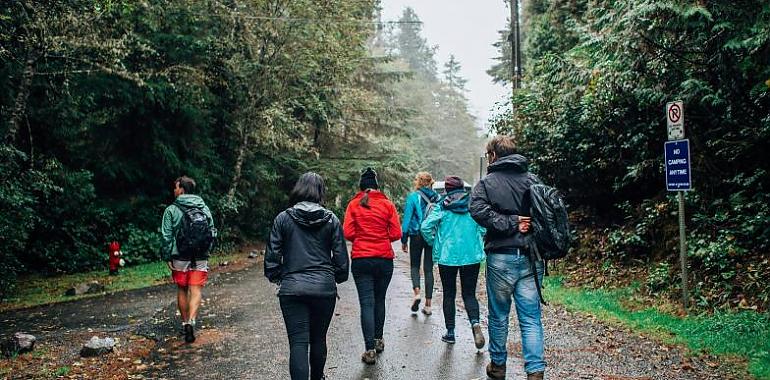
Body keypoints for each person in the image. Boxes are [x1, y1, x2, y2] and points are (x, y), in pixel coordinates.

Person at [469, 136, 546, 380]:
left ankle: (498, 366)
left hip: (500, 257)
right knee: (531, 318)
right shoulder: (533, 180)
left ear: (492, 155)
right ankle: (535, 372)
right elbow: (548, 213)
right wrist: (517, 222)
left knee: (499, 315)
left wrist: (506, 223)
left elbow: (477, 210)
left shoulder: (486, 184)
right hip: (531, 258)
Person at [264, 172, 349, 380]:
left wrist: (281, 277)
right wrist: (333, 278)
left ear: (298, 189)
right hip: (324, 290)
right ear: (321, 192)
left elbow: (272, 258)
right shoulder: (332, 220)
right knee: (319, 339)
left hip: (292, 290)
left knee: (298, 342)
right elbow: (341, 262)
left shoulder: (283, 218)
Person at [343, 167, 402, 365]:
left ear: (361, 186)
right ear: (377, 186)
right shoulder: (387, 205)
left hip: (361, 259)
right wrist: (380, 235)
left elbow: (348, 233)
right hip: (384, 259)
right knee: (380, 299)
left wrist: (363, 236)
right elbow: (396, 234)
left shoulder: (353, 205)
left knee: (366, 303)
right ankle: (378, 340)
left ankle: (369, 350)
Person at [420, 176, 486, 348]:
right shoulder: (473, 205)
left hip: (447, 256)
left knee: (449, 293)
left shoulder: (442, 206)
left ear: (447, 190)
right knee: (469, 294)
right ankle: (475, 324)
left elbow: (425, 227)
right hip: (471, 256)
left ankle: (450, 333)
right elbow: (484, 227)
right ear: (463, 188)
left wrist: (433, 241)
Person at [160, 176, 215, 344]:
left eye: (175, 187)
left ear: (182, 190)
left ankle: (185, 324)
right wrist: (207, 250)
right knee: (196, 289)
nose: (174, 190)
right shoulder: (203, 207)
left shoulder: (171, 210)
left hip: (180, 256)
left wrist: (166, 255)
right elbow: (212, 231)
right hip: (200, 255)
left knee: (182, 289)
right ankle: (192, 321)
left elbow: (166, 235)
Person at [400, 172, 439, 315]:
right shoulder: (437, 197)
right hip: (431, 235)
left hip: (416, 235)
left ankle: (417, 293)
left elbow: (406, 221)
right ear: (430, 182)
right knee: (429, 269)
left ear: (418, 182)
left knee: (415, 266)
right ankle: (428, 305)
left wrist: (404, 240)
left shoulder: (413, 197)